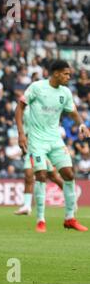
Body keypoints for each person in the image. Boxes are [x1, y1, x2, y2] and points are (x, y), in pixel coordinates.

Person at [15, 60, 89, 232]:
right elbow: (19, 108)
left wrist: (82, 124)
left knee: (68, 174)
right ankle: (41, 220)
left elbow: (72, 112)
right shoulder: (37, 87)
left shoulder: (66, 93)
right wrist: (20, 134)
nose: (68, 77)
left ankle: (70, 218)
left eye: (69, 74)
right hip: (36, 141)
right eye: (66, 74)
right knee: (40, 175)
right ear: (56, 73)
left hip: (55, 139)